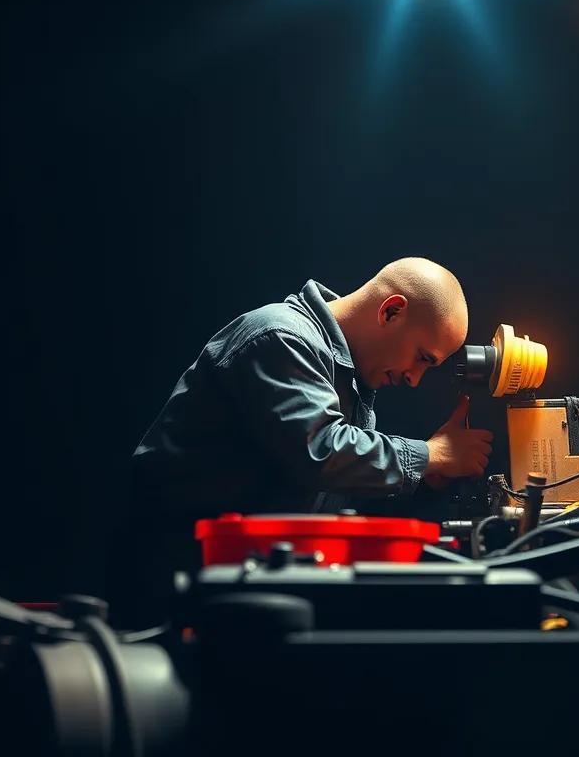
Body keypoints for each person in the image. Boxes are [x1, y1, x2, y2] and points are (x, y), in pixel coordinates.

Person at [106, 257, 493, 625]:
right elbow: (320, 451)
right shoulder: (282, 338)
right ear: (391, 311)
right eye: (422, 358)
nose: (414, 379)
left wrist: (426, 480)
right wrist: (430, 455)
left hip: (236, 593)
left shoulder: (349, 385)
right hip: (171, 596)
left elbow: (336, 491)